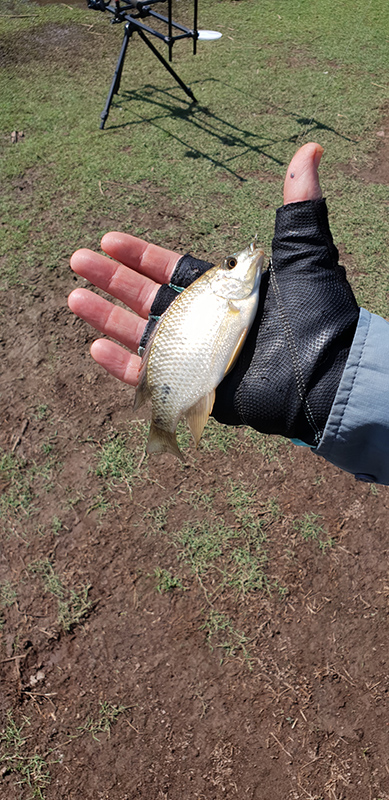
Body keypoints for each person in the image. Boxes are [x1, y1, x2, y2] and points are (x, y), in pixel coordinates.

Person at [68, 142, 389, 485]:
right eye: (231, 264)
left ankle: (165, 427)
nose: (239, 261)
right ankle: (163, 428)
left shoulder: (237, 295)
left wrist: (334, 379)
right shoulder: (223, 297)